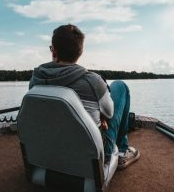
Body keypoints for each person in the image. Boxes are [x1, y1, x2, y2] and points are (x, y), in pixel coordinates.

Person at [29, 24, 140, 169]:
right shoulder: (93, 81)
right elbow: (110, 113)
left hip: (49, 150)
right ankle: (122, 151)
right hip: (92, 155)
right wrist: (102, 116)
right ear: (80, 52)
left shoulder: (35, 80)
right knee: (120, 86)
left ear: (54, 50)